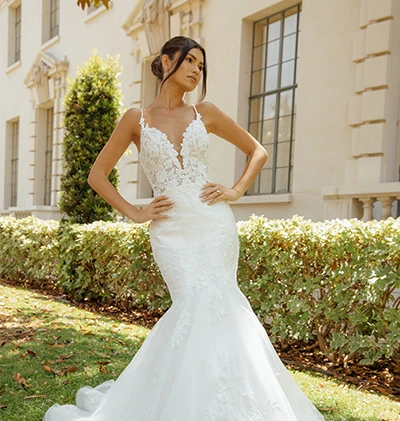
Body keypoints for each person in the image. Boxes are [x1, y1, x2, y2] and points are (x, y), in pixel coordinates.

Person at [43, 36, 325, 420]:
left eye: (201, 65)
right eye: (190, 60)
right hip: (172, 232)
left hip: (213, 224)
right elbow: (97, 175)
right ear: (166, 61)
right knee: (193, 307)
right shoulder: (135, 119)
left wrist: (236, 190)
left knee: (222, 306)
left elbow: (257, 150)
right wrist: (136, 212)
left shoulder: (204, 112)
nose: (196, 70)